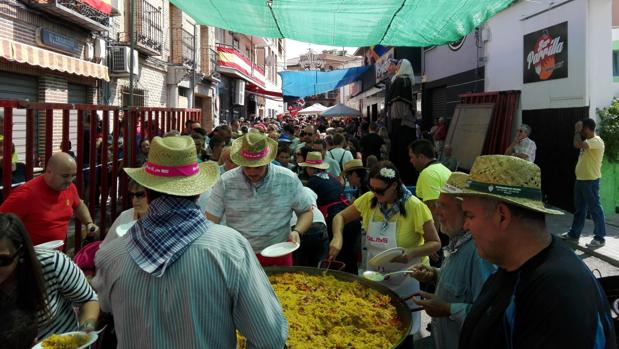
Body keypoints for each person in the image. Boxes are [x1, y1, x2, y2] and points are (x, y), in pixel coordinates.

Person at [92, 136, 287, 348]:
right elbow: (270, 336)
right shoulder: (230, 248)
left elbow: (104, 307)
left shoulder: (111, 255)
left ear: (146, 192)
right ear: (197, 192)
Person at [444, 155, 616, 349]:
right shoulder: (512, 266)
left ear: (502, 216)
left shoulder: (557, 295)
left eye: (470, 215)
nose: (466, 225)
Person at [328, 161, 441, 336]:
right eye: (371, 188)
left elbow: (435, 243)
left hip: (405, 279)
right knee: (374, 327)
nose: (375, 194)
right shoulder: (369, 200)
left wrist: (411, 253)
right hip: (374, 277)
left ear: (394, 185)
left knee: (403, 331)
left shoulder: (415, 207)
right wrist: (337, 237)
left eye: (380, 190)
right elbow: (340, 217)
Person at [408, 172, 496, 349]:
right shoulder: (457, 240)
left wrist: (448, 309)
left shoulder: (479, 254)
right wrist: (434, 274)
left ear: (466, 212)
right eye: (437, 204)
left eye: (444, 206)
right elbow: (461, 285)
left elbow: (489, 315)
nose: (437, 212)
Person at [205, 130, 313, 267]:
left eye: (257, 167)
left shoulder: (288, 179)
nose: (252, 172)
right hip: (239, 256)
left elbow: (306, 211)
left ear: (267, 160)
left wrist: (298, 231)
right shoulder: (226, 181)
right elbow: (210, 220)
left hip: (278, 253)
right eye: (247, 167)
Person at [0, 213, 100, 340]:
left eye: (2, 261)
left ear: (20, 253)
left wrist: (85, 331)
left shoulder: (52, 263)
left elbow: (88, 299)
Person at [0, 152, 99, 246]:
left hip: (56, 255)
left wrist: (88, 223)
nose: (69, 180)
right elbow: (2, 222)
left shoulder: (69, 188)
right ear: (49, 171)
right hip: (32, 258)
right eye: (65, 176)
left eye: (73, 176)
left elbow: (78, 205)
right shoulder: (26, 194)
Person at [299, 151, 360, 274]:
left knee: (337, 254)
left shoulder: (313, 181)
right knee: (350, 254)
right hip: (349, 214)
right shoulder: (331, 177)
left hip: (335, 218)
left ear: (310, 169)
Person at [561, 119, 607, 248]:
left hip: (590, 181)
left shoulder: (596, 141)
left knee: (595, 209)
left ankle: (600, 238)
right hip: (581, 180)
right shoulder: (587, 141)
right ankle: (574, 234)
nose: (580, 131)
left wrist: (576, 131)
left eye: (582, 129)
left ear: (586, 128)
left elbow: (577, 144)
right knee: (580, 210)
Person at [387, 59, 417, 185]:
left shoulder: (401, 80)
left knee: (400, 153)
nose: (397, 67)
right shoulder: (404, 80)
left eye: (399, 65)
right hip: (404, 124)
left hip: (401, 124)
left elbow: (398, 108)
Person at [100, 180, 148, 247]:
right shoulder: (125, 215)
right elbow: (105, 245)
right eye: (132, 195)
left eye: (140, 195)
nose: (134, 200)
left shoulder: (161, 221)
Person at [291, 187, 328, 267]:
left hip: (297, 225)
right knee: (319, 265)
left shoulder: (287, 191)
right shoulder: (308, 190)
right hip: (319, 223)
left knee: (299, 266)